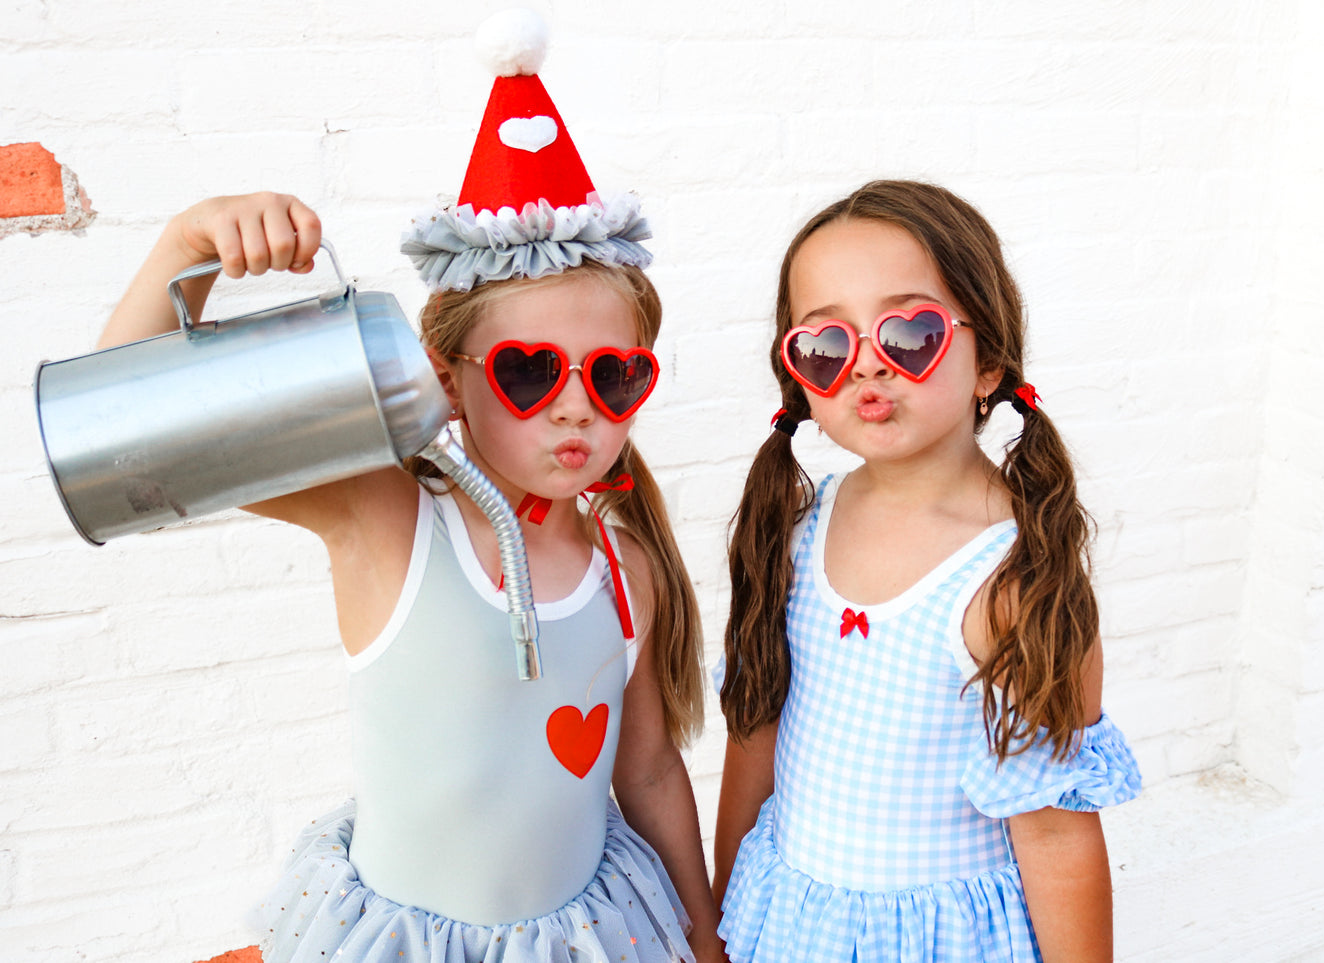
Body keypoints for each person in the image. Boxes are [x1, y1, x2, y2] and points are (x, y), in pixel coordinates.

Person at [98, 12, 722, 963]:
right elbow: (131, 442)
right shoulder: (389, 519)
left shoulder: (624, 563)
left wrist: (704, 932)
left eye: (612, 376)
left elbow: (644, 769)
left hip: (590, 934)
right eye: (528, 371)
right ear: (447, 376)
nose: (573, 411)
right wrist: (183, 245)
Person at [712, 179, 1142, 963]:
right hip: (791, 926)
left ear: (988, 363)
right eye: (826, 343)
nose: (866, 367)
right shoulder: (797, 529)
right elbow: (754, 739)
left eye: (908, 334)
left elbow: (1052, 831)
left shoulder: (1011, 578)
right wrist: (718, 926)